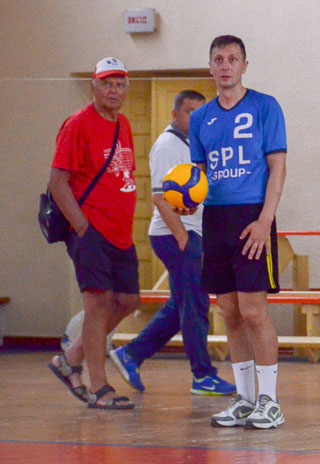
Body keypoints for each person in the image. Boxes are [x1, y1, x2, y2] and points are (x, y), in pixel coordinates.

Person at [107, 90, 236, 396]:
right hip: (174, 235)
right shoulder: (167, 145)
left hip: (189, 232)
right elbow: (159, 196)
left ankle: (131, 355)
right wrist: (183, 238)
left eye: (200, 112)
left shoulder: (193, 144)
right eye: (190, 112)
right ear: (175, 114)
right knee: (195, 305)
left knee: (181, 304)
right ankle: (203, 376)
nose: (196, 117)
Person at [187, 35, 287, 429]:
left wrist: (265, 220)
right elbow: (197, 178)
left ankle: (270, 400)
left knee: (253, 311)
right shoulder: (200, 118)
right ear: (210, 67)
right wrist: (187, 201)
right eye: (218, 59)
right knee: (228, 312)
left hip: (252, 217)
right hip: (215, 218)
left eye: (233, 59)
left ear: (245, 65)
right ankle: (245, 399)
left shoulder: (266, 106)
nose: (225, 65)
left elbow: (278, 167)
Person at [47, 57, 139, 409]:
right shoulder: (78, 124)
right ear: (93, 87)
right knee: (98, 306)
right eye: (106, 83)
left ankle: (69, 358)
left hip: (121, 233)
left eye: (119, 84)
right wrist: (82, 227)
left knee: (128, 302)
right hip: (91, 231)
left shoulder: (124, 125)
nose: (113, 90)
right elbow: (58, 181)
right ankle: (100, 388)